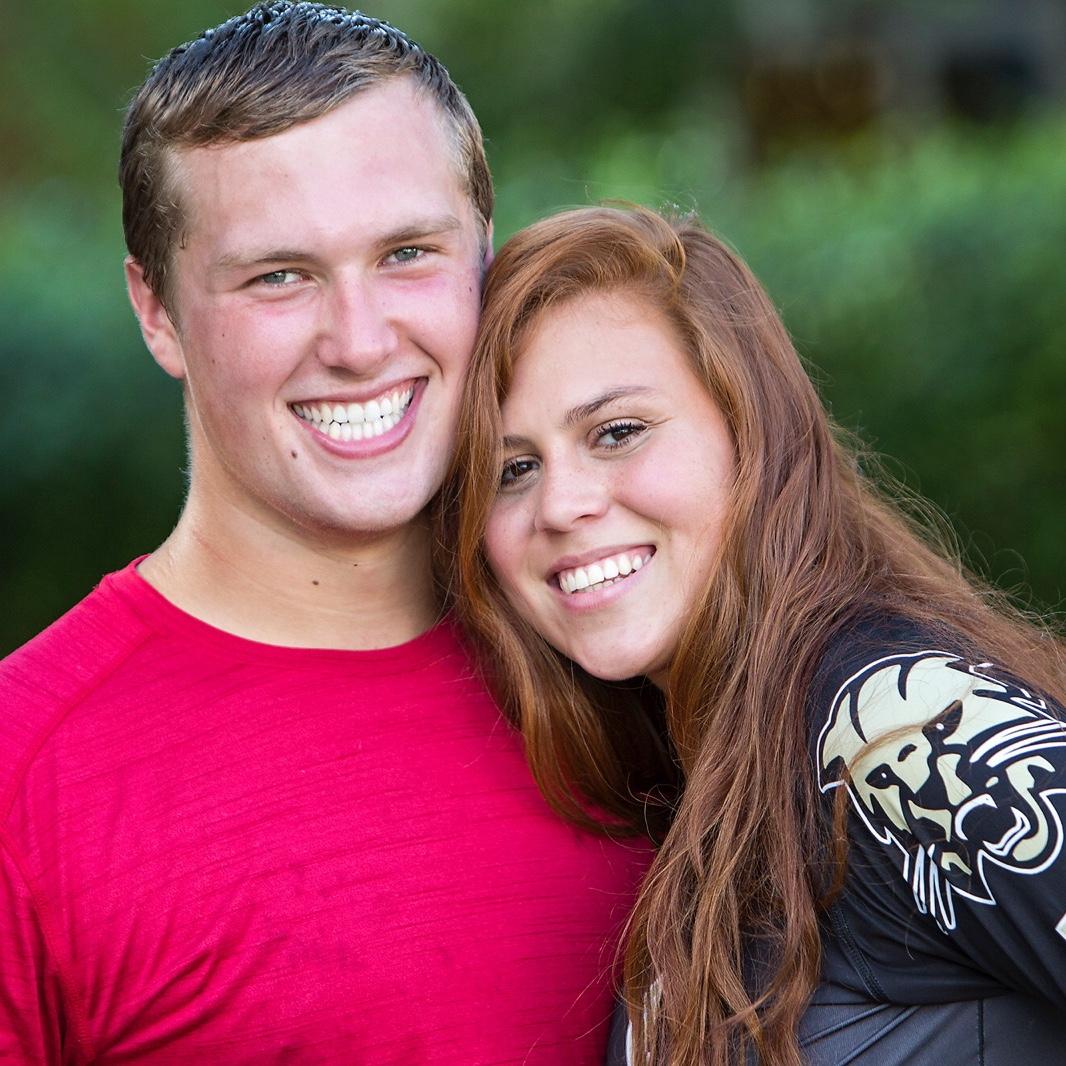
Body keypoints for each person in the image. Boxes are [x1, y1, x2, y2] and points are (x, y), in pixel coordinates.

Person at [0, 7, 653, 1062]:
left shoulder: (632, 661)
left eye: (407, 253)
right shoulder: (24, 779)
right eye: (278, 275)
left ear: (484, 253)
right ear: (156, 311)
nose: (359, 341)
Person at [447, 204, 1066, 1065]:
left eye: (617, 433)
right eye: (513, 469)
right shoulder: (697, 763)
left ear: (751, 431)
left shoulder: (895, 729)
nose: (560, 504)